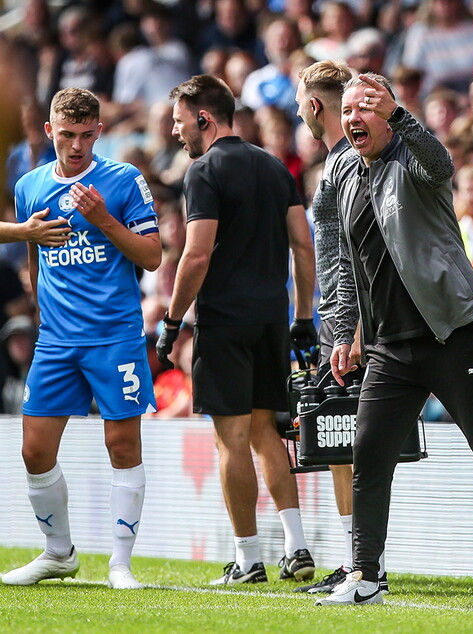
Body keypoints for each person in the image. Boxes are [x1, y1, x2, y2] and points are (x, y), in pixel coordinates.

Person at [319, 73, 473, 608]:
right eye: (347, 111)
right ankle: (365, 575)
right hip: (389, 345)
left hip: (451, 332)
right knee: (369, 453)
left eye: (366, 108)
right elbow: (340, 259)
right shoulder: (340, 170)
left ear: (388, 114)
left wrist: (404, 114)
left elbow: (442, 163)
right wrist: (341, 330)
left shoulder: (413, 156)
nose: (354, 118)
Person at [159, 74, 317, 586]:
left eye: (181, 121)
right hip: (273, 318)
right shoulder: (275, 166)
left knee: (231, 440)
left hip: (225, 322)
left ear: (204, 118)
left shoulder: (203, 170)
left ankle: (248, 558)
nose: (176, 131)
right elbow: (303, 246)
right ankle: (296, 547)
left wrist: (172, 320)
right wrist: (301, 316)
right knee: (265, 431)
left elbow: (197, 252)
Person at [1, 88, 161, 590]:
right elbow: (34, 249)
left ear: (99, 132)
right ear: (49, 131)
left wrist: (103, 220)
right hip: (56, 339)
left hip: (114, 335)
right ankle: (58, 553)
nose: (76, 146)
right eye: (66, 135)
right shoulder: (29, 185)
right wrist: (38, 298)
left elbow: (153, 257)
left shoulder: (123, 180)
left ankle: (120, 563)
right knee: (34, 451)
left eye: (86, 135)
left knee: (121, 442)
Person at [291, 59, 386, 595]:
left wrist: (347, 329)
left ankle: (364, 563)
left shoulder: (345, 163)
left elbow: (351, 252)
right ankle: (358, 559)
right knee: (343, 441)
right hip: (348, 317)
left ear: (312, 105)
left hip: (353, 321)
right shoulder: (343, 160)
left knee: (351, 440)